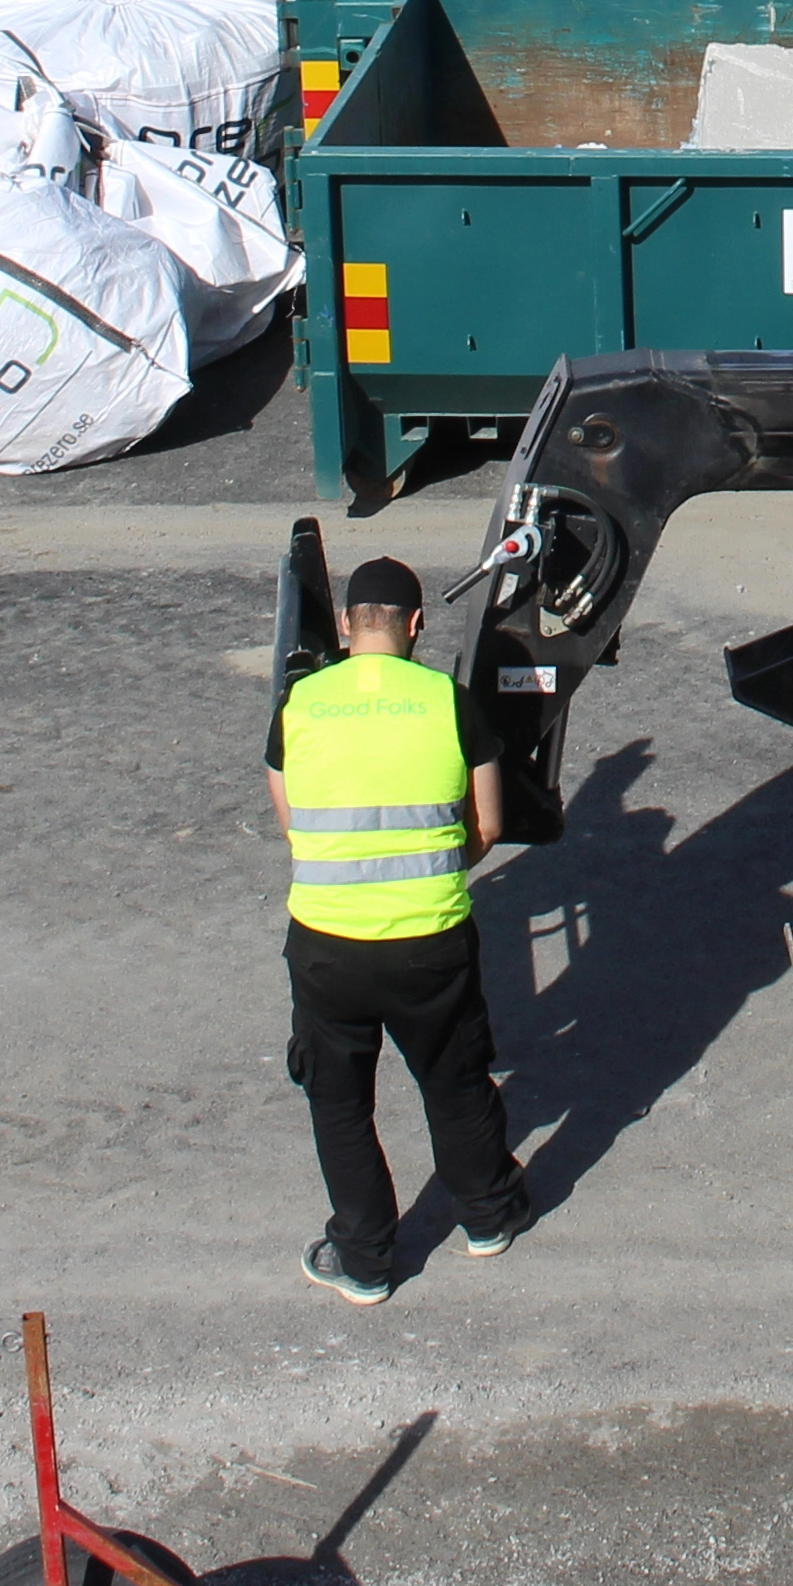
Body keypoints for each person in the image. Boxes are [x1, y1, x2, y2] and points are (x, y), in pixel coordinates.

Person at [268, 555, 534, 1304]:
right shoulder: (448, 701)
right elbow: (487, 825)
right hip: (430, 943)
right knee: (453, 1081)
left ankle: (366, 1258)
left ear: (349, 627)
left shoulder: (300, 703)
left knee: (341, 1102)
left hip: (326, 945)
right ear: (418, 625)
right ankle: (487, 1215)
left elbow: (294, 825)